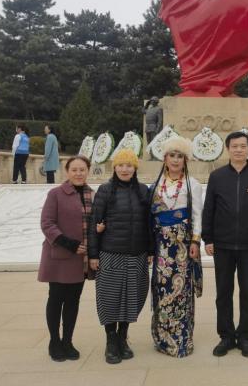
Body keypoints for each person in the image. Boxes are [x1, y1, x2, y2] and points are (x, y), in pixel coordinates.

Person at [202, 131, 248, 358]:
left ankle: (245, 337)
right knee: (223, 292)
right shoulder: (217, 176)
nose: (239, 149)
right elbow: (209, 209)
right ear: (228, 148)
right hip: (222, 244)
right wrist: (208, 238)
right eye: (235, 146)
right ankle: (225, 336)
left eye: (243, 146)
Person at [88, 149, 152, 364]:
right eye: (121, 165)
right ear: (114, 168)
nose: (125, 169)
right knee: (109, 299)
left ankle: (123, 339)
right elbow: (94, 224)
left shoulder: (143, 191)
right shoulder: (105, 191)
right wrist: (93, 255)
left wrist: (151, 250)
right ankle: (110, 341)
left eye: (129, 165)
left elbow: (150, 224)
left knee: (132, 298)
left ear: (135, 168)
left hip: (137, 254)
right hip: (111, 254)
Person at [149, 137, 203, 358]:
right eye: (172, 155)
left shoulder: (194, 184)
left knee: (181, 292)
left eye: (180, 156)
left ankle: (181, 337)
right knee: (162, 291)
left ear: (185, 159)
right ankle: (161, 337)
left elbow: (197, 215)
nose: (175, 159)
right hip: (160, 244)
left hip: (182, 244)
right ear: (165, 158)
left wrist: (195, 242)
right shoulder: (155, 185)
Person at [38, 155, 94, 362]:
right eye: (74, 170)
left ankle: (68, 341)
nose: (78, 173)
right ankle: (54, 341)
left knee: (73, 301)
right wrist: (68, 243)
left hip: (81, 259)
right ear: (67, 172)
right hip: (60, 256)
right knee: (56, 299)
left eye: (82, 170)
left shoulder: (91, 195)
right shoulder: (56, 194)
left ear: (87, 171)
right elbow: (47, 223)